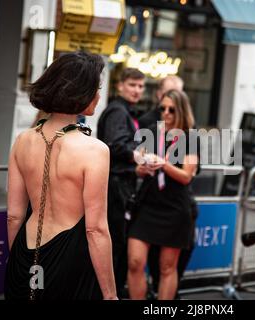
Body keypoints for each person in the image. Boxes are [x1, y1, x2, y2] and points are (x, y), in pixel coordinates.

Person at [5, 52, 117, 300]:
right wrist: (110, 295)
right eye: (95, 88)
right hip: (69, 261)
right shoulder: (95, 150)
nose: (99, 95)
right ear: (80, 92)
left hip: (24, 252)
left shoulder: (22, 141)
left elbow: (14, 216)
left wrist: (21, 264)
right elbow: (96, 230)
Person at [127, 90, 198, 300]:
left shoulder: (189, 137)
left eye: (171, 110)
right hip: (148, 203)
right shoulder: (151, 132)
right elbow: (139, 165)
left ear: (181, 111)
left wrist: (164, 164)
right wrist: (142, 168)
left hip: (175, 207)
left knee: (167, 267)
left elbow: (186, 176)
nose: (166, 113)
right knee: (135, 262)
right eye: (162, 108)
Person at [97, 67, 145, 297]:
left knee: (119, 243)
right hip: (115, 185)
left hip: (122, 183)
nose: (137, 90)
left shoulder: (126, 111)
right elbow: (114, 144)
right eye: (132, 85)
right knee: (115, 243)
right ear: (120, 86)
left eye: (141, 86)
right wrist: (137, 156)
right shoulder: (117, 111)